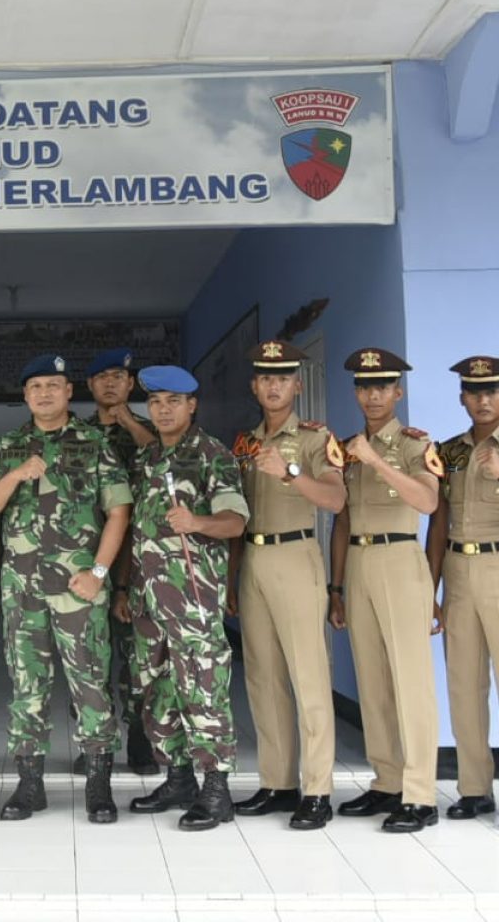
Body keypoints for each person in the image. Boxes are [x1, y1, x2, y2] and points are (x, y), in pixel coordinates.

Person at [0, 353, 131, 824]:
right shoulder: (7, 447)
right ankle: (29, 785)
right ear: (25, 396)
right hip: (23, 592)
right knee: (27, 687)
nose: (44, 393)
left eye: (53, 385)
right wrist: (17, 474)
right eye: (35, 386)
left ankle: (99, 786)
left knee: (92, 685)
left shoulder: (96, 443)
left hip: (80, 590)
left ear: (68, 392)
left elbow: (118, 512)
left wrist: (100, 573)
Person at [228, 341, 345, 831]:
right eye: (265, 378)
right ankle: (277, 783)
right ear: (255, 386)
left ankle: (317, 789)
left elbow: (336, 500)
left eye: (283, 377)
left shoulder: (317, 439)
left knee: (309, 676)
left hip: (297, 556)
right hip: (253, 558)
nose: (274, 386)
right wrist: (234, 575)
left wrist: (291, 471)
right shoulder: (245, 443)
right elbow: (236, 512)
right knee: (262, 676)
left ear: (298, 385)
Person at [127, 366, 248, 831]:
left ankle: (216, 789)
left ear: (191, 405)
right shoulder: (146, 459)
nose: (163, 409)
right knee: (157, 689)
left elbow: (235, 522)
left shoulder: (212, 455)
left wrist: (198, 523)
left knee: (203, 686)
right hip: (148, 599)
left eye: (173, 401)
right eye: (156, 402)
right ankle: (178, 777)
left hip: (193, 597)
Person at [329, 347, 442, 833]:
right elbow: (342, 520)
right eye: (364, 386)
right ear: (356, 392)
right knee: (372, 680)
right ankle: (387, 782)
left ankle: (420, 795)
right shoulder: (347, 447)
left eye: (382, 387)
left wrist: (377, 460)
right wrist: (336, 586)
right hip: (359, 562)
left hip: (400, 559)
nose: (372, 395)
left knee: (410, 683)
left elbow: (428, 502)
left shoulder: (416, 445)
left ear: (398, 392)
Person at [426, 356, 499, 820]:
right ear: (462, 399)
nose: (483, 400)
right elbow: (438, 521)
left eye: (491, 391)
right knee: (464, 682)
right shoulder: (449, 451)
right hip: (457, 569)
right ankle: (474, 787)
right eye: (474, 393)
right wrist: (429, 588)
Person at [85, 348, 159, 775]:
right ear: (90, 386)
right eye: (101, 377)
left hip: (141, 563)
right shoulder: (76, 434)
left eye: (118, 376)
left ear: (131, 385)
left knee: (138, 658)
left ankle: (140, 739)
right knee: (89, 657)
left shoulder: (153, 430)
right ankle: (93, 744)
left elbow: (161, 460)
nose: (110, 383)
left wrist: (128, 421)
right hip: (90, 559)